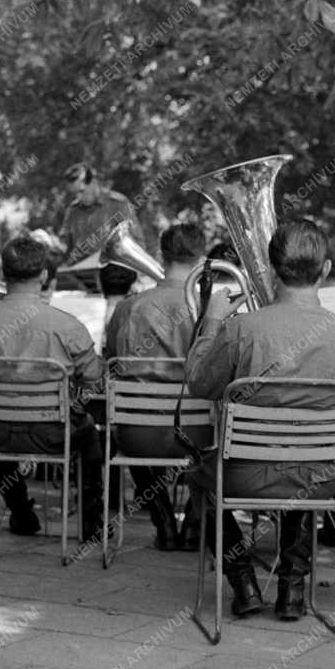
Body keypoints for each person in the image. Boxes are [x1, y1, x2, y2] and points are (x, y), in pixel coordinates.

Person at [185, 219, 335, 620]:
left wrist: (212, 320)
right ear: (324, 271)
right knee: (306, 462)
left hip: (246, 475)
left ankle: (244, 583)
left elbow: (198, 385)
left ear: (271, 270)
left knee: (199, 475)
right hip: (323, 480)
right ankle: (292, 588)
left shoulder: (240, 328)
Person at [0, 234, 106, 543]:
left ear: (3, 274)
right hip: (52, 435)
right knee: (89, 436)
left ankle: (20, 510)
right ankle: (92, 522)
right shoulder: (67, 324)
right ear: (44, 275)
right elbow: (95, 378)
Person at [104, 222, 207, 549]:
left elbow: (111, 359)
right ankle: (194, 523)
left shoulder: (127, 307)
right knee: (220, 439)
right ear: (202, 255)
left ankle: (162, 519)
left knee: (130, 422)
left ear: (162, 255)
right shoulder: (210, 307)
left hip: (137, 436)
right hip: (196, 434)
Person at [58, 162, 143, 293]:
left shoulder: (118, 204)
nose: (79, 197)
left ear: (93, 182)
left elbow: (137, 244)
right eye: (74, 194)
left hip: (116, 282)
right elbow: (64, 248)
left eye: (81, 191)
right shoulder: (73, 210)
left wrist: (136, 278)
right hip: (84, 284)